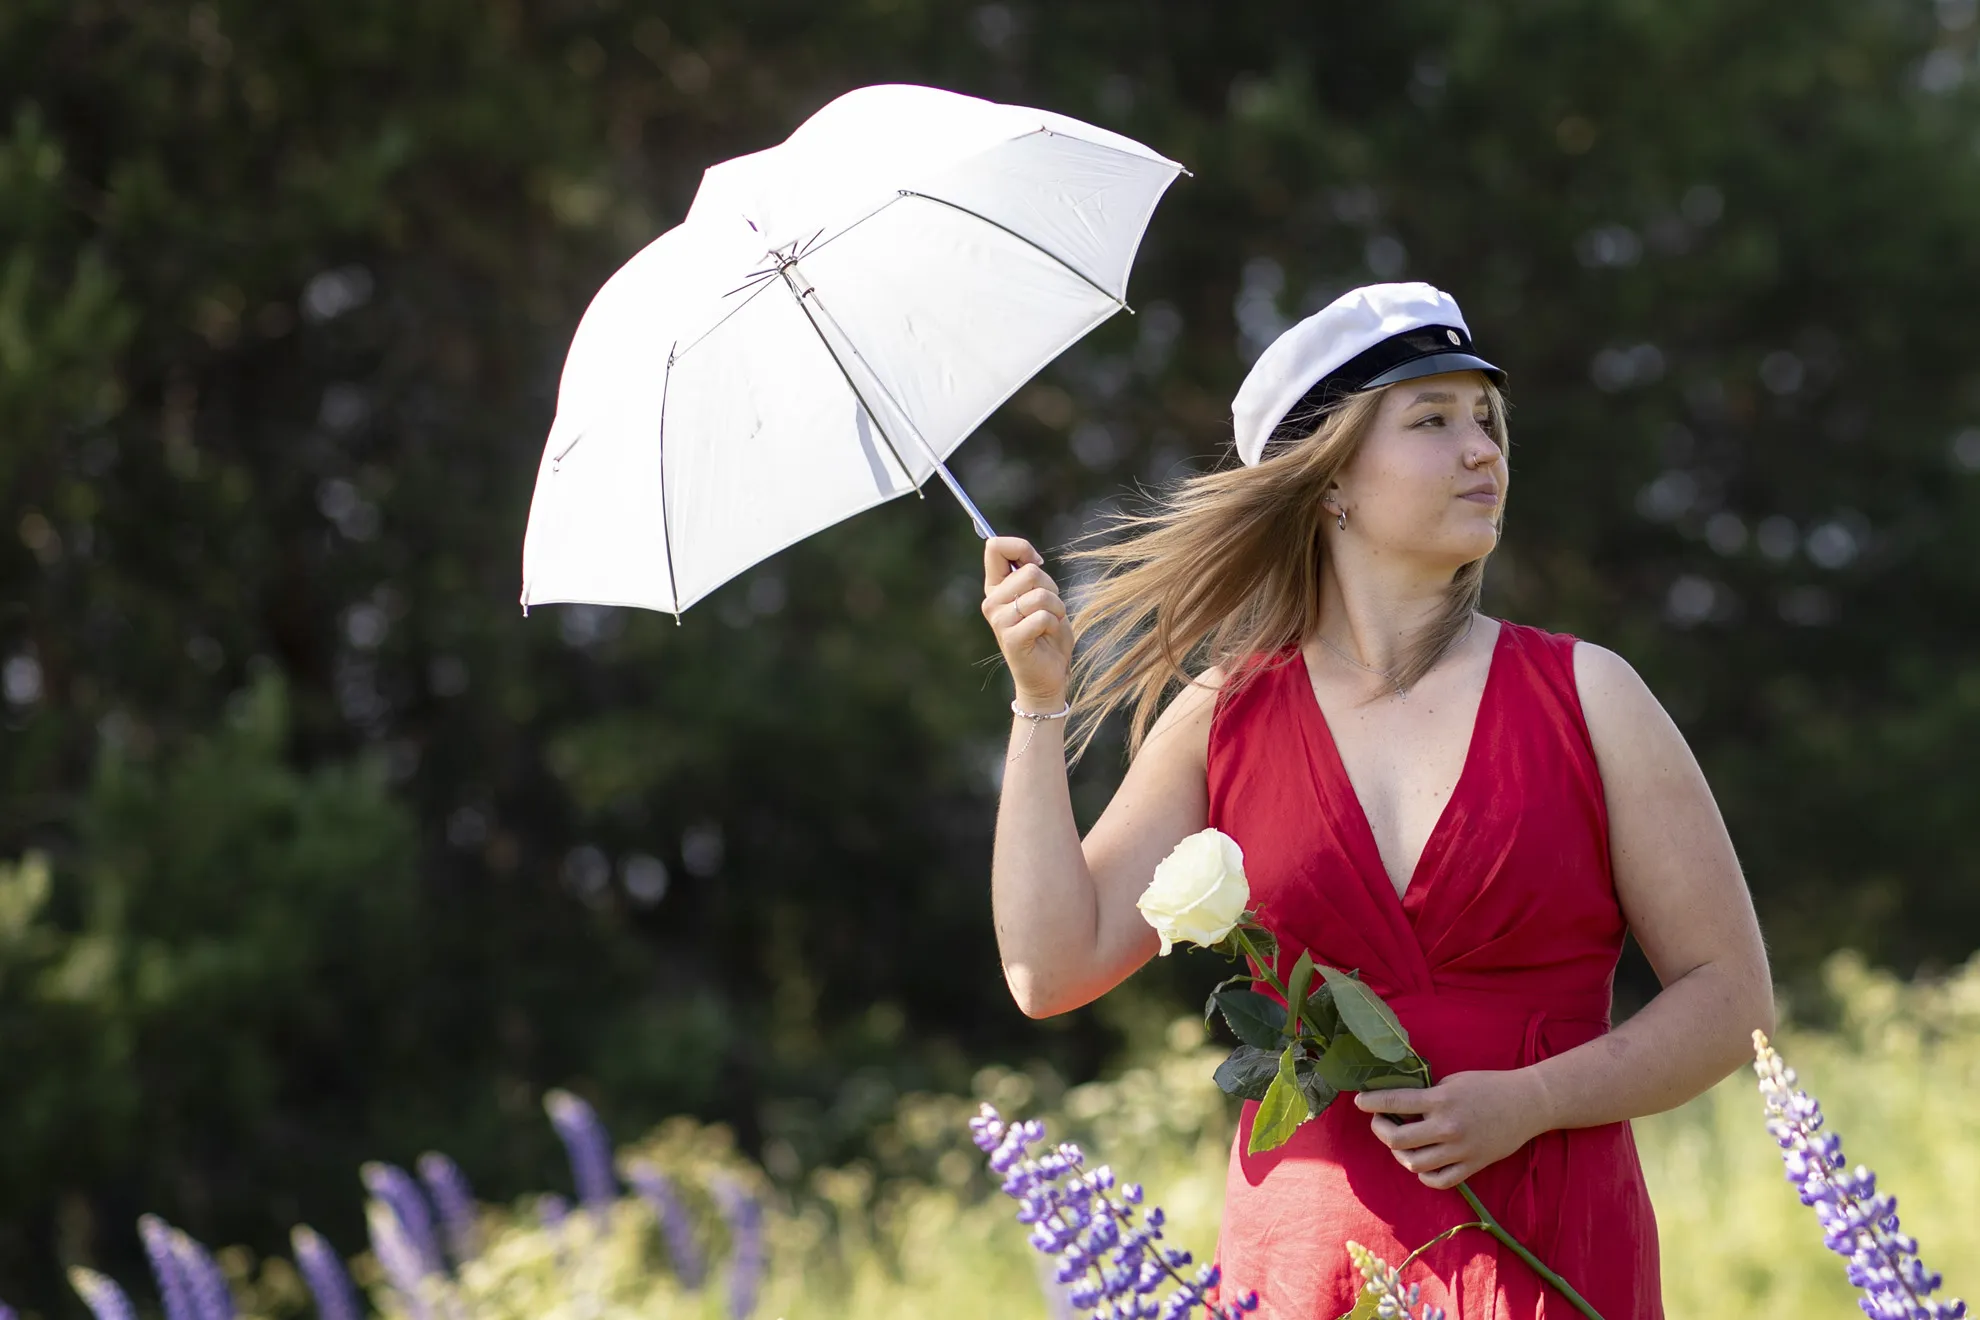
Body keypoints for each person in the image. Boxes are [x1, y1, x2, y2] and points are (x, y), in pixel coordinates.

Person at [977, 282, 1773, 1319]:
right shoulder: (1224, 716)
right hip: (1309, 1261)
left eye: (1486, 420)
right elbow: (1050, 967)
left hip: (1549, 1243)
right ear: (1331, 481)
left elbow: (1731, 999)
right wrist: (1038, 700)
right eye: (1433, 422)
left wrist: (1534, 1100)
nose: (1483, 451)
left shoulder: (1591, 696)